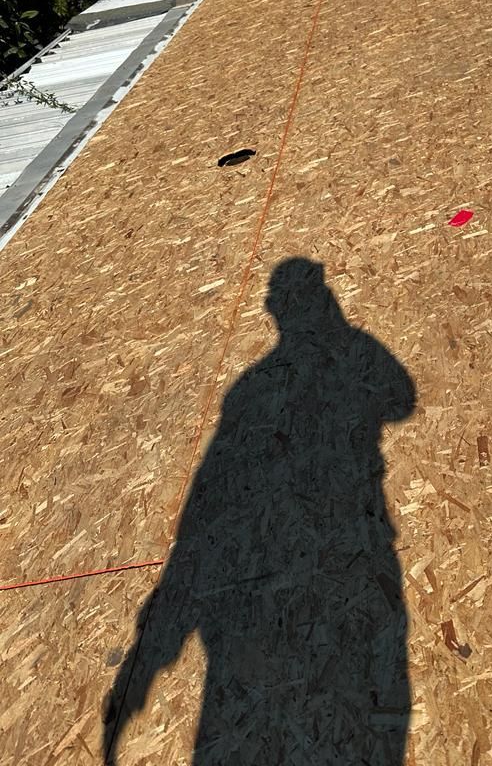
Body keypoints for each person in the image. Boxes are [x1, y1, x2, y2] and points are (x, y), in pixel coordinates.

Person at [104, 258, 416, 765]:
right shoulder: (327, 361)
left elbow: (209, 494)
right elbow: (402, 400)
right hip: (341, 548)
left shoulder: (251, 387)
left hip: (310, 557)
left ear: (276, 310)